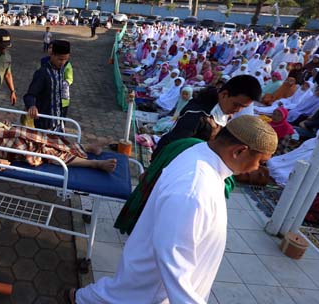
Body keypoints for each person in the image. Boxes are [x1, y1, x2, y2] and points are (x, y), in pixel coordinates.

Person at [69, 116, 277, 304]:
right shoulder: (194, 188)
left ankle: (82, 298)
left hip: (150, 280)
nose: (257, 168)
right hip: (155, 290)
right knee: (121, 296)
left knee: (118, 293)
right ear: (240, 150)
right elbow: (174, 264)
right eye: (260, 161)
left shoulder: (201, 153)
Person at [0, 109, 117, 172]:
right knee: (40, 150)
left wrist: (1, 123)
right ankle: (93, 163)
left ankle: (88, 147)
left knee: (45, 137)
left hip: (2, 131)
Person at [152, 75, 262, 159]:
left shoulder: (223, 112)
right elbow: (174, 146)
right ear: (224, 94)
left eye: (243, 107)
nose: (238, 110)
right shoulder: (198, 115)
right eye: (236, 105)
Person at [24, 40, 71, 131]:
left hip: (58, 123)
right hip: (44, 125)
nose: (63, 63)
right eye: (60, 59)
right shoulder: (42, 73)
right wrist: (32, 106)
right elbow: (30, 95)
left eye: (66, 59)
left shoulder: (60, 71)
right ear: (52, 55)